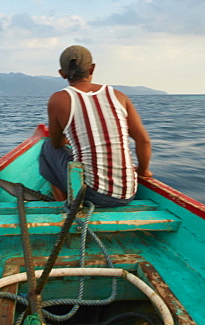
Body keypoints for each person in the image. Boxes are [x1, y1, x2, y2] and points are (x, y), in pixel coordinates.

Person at [39, 45, 152, 207]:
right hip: (128, 193)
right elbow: (144, 141)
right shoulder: (118, 96)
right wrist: (143, 171)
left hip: (92, 195)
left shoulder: (59, 99)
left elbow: (57, 143)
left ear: (61, 73)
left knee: (48, 146)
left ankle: (64, 205)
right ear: (92, 69)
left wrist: (69, 140)